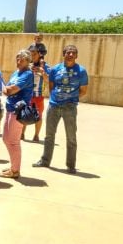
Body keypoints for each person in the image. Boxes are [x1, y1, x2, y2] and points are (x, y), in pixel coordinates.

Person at [33, 45, 89, 174]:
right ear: (63, 54)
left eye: (73, 53)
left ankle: (70, 165)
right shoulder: (55, 69)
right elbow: (52, 86)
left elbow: (83, 91)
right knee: (49, 136)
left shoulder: (81, 71)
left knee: (71, 137)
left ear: (76, 56)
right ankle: (45, 161)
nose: (70, 55)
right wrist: (57, 97)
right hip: (54, 106)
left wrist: (70, 98)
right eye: (68, 52)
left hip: (70, 107)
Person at [0, 50, 34, 179]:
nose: (18, 61)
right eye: (17, 59)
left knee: (13, 141)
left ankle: (15, 170)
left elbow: (10, 90)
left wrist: (5, 88)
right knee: (6, 139)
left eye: (22, 59)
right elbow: (8, 89)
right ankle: (14, 166)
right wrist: (6, 89)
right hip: (11, 108)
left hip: (19, 111)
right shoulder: (16, 73)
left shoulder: (27, 74)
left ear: (28, 61)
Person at [21, 44, 49, 142]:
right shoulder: (27, 65)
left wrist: (42, 72)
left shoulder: (45, 66)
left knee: (39, 116)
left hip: (38, 95)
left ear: (39, 54)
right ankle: (22, 133)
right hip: (27, 95)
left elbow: (48, 80)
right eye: (30, 54)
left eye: (34, 54)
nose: (32, 56)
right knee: (24, 114)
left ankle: (36, 135)